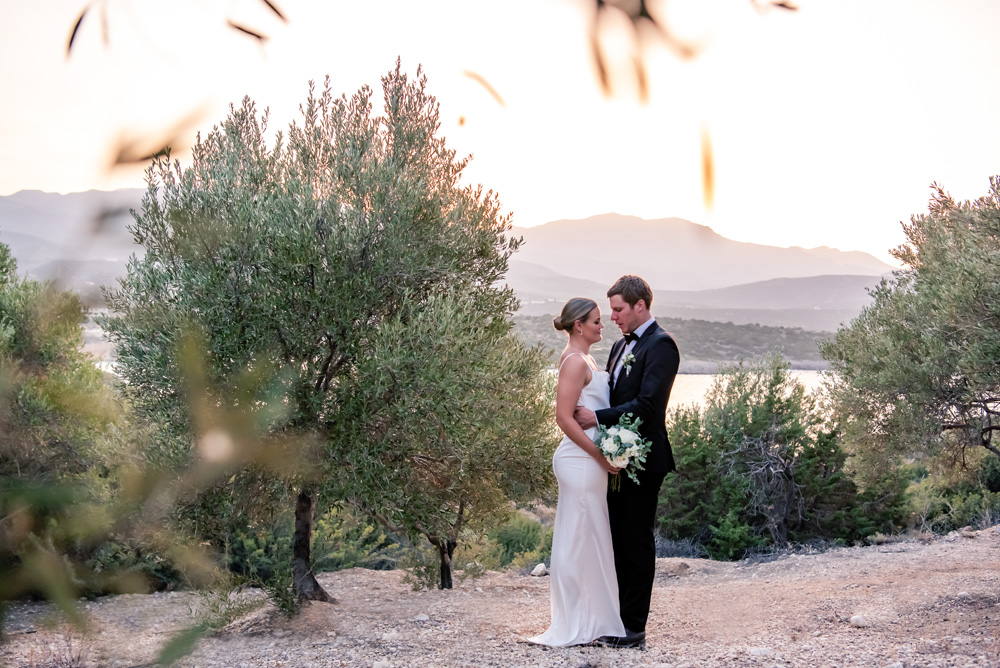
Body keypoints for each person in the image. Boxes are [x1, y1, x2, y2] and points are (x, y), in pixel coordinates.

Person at [574, 275, 679, 649]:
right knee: (615, 538)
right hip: (616, 458)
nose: (613, 317)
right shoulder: (619, 346)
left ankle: (634, 627)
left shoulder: (662, 345)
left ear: (640, 305)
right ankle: (614, 619)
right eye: (611, 311)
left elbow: (649, 405)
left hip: (646, 460)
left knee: (635, 541)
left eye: (618, 310)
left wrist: (596, 420)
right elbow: (614, 394)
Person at [527, 297, 626, 647]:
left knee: (591, 541)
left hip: (592, 463)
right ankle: (575, 624)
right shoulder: (572, 361)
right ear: (579, 325)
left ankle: (593, 620)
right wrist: (601, 455)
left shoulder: (589, 358)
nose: (603, 325)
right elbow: (564, 418)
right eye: (596, 321)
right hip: (580, 462)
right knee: (578, 542)